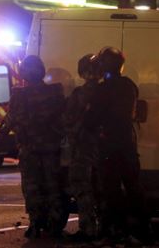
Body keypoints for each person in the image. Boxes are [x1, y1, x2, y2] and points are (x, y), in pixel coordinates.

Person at [92, 47, 152, 243]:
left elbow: (92, 118)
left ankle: (114, 229)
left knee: (110, 190)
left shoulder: (102, 89)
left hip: (108, 145)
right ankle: (141, 229)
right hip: (127, 143)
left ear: (104, 65)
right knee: (134, 186)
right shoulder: (129, 86)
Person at [5, 55, 66, 238]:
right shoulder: (55, 92)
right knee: (52, 186)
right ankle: (54, 224)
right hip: (50, 149)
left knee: (32, 188)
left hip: (30, 149)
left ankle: (36, 223)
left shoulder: (19, 95)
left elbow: (11, 120)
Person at [63, 54, 102, 241]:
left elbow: (68, 120)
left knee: (82, 187)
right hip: (105, 149)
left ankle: (88, 229)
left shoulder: (80, 94)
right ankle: (106, 227)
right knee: (103, 187)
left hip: (83, 148)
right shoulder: (108, 91)